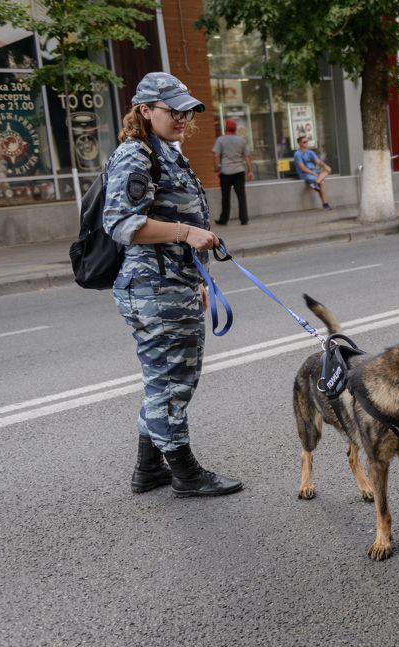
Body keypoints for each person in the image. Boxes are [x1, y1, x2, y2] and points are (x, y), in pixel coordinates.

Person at [103, 72, 242, 497]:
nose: (183, 117)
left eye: (188, 111)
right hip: (154, 288)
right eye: (173, 110)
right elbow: (121, 224)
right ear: (145, 110)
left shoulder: (163, 152)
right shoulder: (136, 155)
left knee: (164, 379)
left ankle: (148, 469)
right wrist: (186, 233)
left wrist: (196, 277)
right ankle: (186, 473)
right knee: (172, 383)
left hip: (171, 283)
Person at [212, 118, 252, 225]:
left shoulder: (220, 140)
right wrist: (250, 171)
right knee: (241, 196)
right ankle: (244, 219)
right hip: (239, 171)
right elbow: (247, 157)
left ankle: (223, 220)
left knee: (225, 197)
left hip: (226, 172)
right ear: (235, 128)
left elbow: (216, 156)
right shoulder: (242, 140)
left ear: (226, 128)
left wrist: (217, 169)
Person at [293, 135, 332, 209]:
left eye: (306, 141)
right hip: (305, 173)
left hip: (314, 171)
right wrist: (314, 173)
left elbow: (318, 161)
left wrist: (325, 165)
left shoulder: (310, 152)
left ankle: (315, 183)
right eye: (304, 142)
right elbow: (303, 168)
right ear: (299, 143)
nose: (306, 143)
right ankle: (325, 203)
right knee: (322, 183)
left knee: (328, 169)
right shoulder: (297, 154)